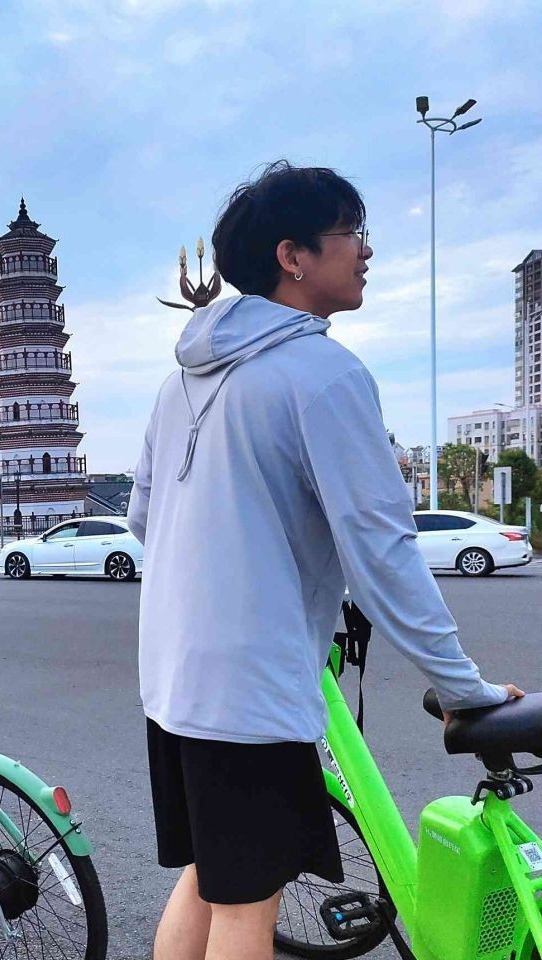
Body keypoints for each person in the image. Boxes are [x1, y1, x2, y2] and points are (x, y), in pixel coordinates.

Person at [126, 160, 524, 960]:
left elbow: (142, 517)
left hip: (173, 681)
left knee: (210, 877)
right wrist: (461, 688)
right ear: (293, 256)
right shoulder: (323, 373)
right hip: (252, 691)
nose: (365, 250)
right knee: (246, 908)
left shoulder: (180, 380)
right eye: (350, 232)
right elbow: (382, 554)